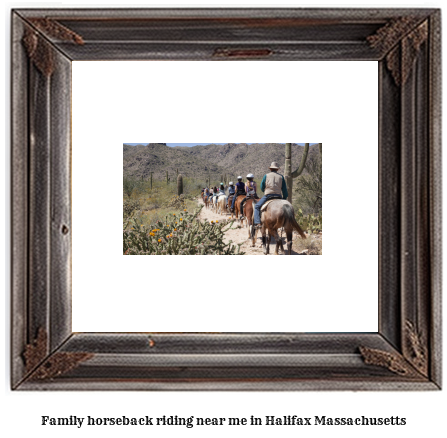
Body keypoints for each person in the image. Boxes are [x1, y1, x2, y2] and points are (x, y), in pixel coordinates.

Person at [254, 162, 288, 227]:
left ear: (270, 169)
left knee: (257, 206)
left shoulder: (266, 176)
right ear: (277, 169)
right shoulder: (281, 177)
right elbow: (284, 190)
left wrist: (265, 190)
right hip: (278, 196)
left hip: (268, 195)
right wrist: (284, 198)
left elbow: (262, 187)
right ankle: (286, 223)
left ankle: (258, 222)